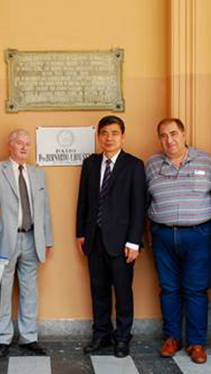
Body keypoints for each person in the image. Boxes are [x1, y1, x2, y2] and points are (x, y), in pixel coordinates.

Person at [75, 115, 146, 358]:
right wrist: (80, 233)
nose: (109, 138)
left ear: (123, 137)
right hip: (94, 240)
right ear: (98, 137)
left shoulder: (134, 165)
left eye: (114, 133)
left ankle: (122, 338)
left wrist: (134, 241)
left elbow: (139, 206)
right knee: (99, 292)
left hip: (122, 242)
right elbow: (83, 201)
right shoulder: (90, 164)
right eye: (104, 133)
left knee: (123, 293)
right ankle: (101, 335)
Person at [146, 118, 211, 364]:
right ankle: (171, 338)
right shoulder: (151, 165)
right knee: (168, 289)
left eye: (174, 133)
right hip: (163, 236)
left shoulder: (207, 162)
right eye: (163, 135)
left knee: (196, 289)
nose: (169, 140)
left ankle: (196, 343)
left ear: (184, 135)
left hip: (198, 235)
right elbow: (143, 201)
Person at [0, 129, 54, 358]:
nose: (25, 148)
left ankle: (29, 337)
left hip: (32, 238)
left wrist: (47, 239)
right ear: (10, 145)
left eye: (28, 144)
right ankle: (2, 337)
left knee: (29, 290)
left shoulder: (38, 174)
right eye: (19, 143)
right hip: (4, 238)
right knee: (2, 289)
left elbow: (44, 209)